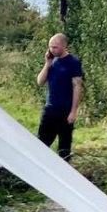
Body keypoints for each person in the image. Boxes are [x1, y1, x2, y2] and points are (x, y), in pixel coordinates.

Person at [36, 33, 83, 161]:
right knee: (40, 144)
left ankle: (64, 175)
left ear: (64, 46)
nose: (52, 50)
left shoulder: (73, 63)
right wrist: (47, 63)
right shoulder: (52, 62)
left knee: (64, 148)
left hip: (65, 111)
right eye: (50, 47)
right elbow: (40, 82)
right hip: (50, 109)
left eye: (55, 47)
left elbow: (77, 87)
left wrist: (73, 112)